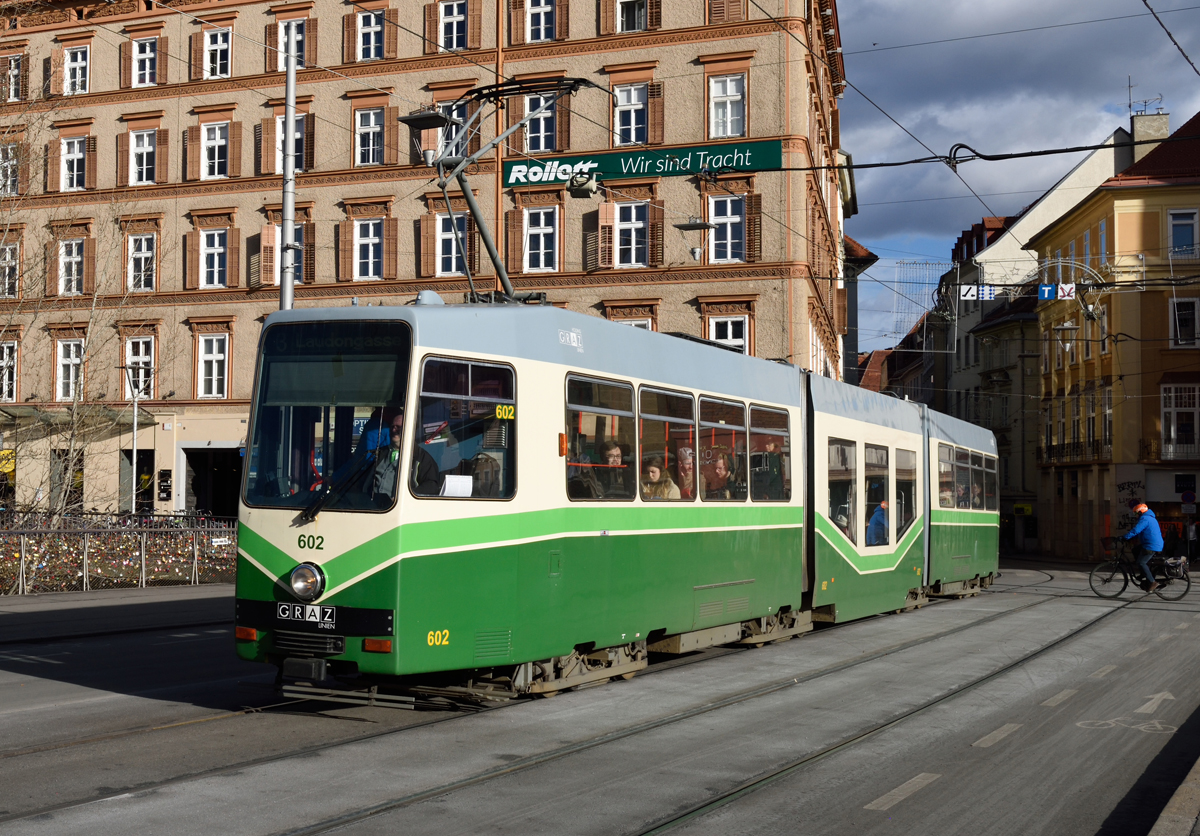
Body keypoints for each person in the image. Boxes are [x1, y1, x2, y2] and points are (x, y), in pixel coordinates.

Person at [373, 408, 441, 502]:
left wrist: (404, 499)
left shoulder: (422, 457)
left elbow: (431, 486)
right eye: (392, 426)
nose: (393, 429)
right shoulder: (379, 453)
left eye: (398, 427)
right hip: (373, 508)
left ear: (409, 430)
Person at [1123, 502, 1165, 592]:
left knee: (1141, 562)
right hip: (1149, 543)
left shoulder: (1145, 519)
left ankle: (1152, 582)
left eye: (1136, 513)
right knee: (1135, 550)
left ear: (1140, 512)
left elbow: (1136, 530)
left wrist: (1124, 537)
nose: (1135, 516)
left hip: (1151, 545)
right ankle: (1143, 573)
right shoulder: (1148, 518)